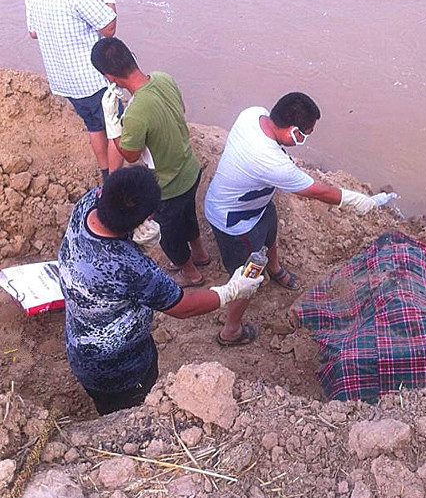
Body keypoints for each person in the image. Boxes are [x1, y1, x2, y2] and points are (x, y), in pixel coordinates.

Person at [58, 167, 263, 415]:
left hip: (81, 344)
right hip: (121, 368)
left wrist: (134, 239)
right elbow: (182, 306)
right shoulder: (130, 267)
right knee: (126, 413)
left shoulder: (88, 203)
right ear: (141, 220)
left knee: (106, 404)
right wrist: (231, 291)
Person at [203, 92, 381, 345]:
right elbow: (318, 192)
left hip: (257, 204)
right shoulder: (272, 162)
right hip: (234, 221)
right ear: (294, 131)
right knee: (246, 277)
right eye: (305, 134)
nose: (305, 140)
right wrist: (355, 200)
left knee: (270, 232)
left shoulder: (252, 114)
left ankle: (274, 269)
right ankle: (231, 330)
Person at [90, 37, 212, 288]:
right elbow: (181, 108)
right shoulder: (163, 77)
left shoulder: (135, 113)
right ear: (131, 56)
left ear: (109, 77)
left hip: (168, 184)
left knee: (168, 232)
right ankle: (201, 254)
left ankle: (190, 273)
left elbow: (131, 155)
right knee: (187, 215)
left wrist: (113, 125)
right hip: (190, 168)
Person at [25, 0, 121, 183]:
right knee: (117, 129)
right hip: (92, 80)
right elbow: (108, 28)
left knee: (94, 126)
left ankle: (105, 174)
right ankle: (116, 180)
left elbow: (33, 33)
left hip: (64, 81)